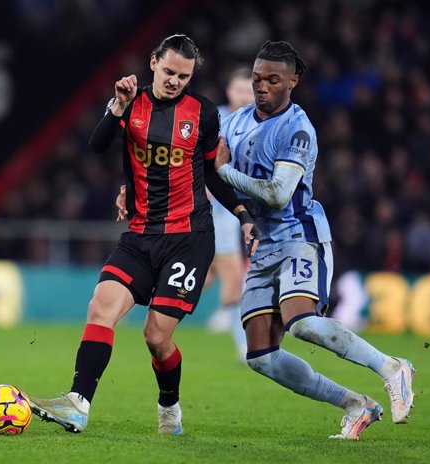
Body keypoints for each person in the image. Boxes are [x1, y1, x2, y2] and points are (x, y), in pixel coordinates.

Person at [29, 34, 259, 436]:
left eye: (183, 76)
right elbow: (97, 145)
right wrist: (117, 107)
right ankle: (78, 404)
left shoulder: (203, 112)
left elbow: (211, 173)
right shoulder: (129, 100)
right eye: (169, 71)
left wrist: (241, 212)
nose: (174, 81)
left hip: (188, 238)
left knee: (155, 337)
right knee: (101, 306)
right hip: (139, 234)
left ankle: (169, 405)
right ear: (153, 63)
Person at [214, 40, 415, 440]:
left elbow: (276, 193)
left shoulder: (298, 129)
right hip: (264, 244)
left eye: (273, 80)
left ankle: (391, 366)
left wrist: (224, 171)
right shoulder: (235, 122)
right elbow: (213, 166)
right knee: (261, 357)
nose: (262, 87)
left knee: (302, 323)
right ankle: (356, 404)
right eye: (257, 79)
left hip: (300, 237)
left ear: (293, 81)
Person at [204, 66, 255, 359]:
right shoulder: (215, 119)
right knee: (233, 274)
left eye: (249, 91)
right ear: (229, 91)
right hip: (215, 208)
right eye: (240, 90)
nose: (245, 96)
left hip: (242, 206)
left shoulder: (259, 122)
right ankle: (240, 339)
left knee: (206, 276)